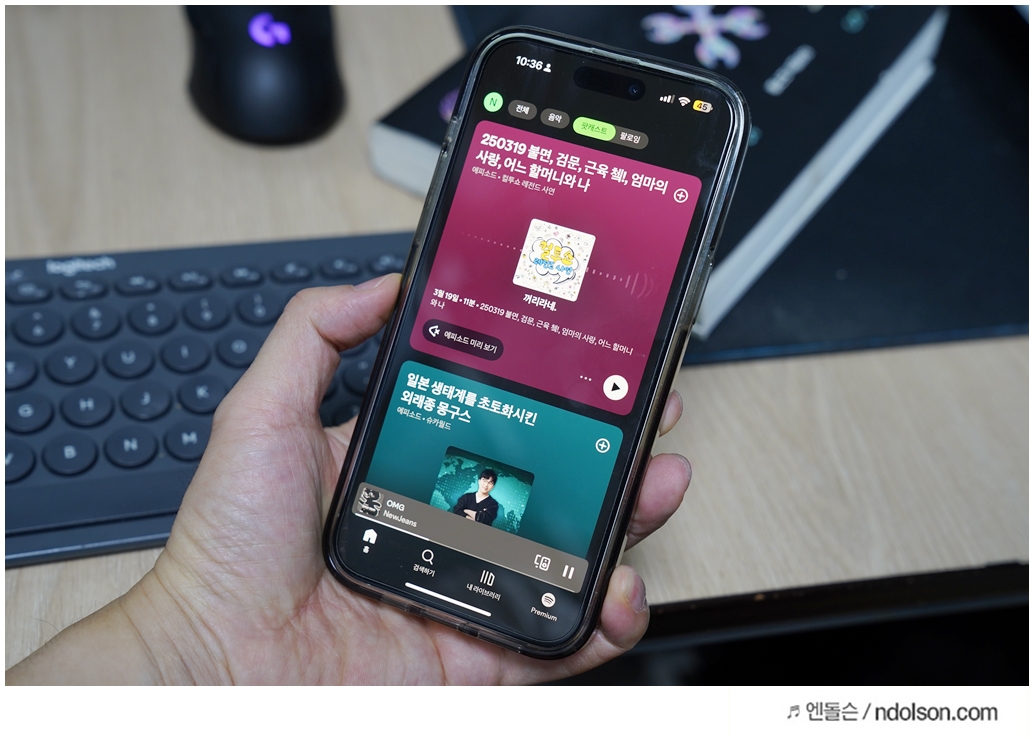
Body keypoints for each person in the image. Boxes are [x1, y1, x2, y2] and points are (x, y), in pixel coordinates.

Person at [5, 275, 692, 685]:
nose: (484, 492)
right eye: (482, 487)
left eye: (488, 488)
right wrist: (190, 647)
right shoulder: (459, 495)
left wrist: (187, 655)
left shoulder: (490, 511)